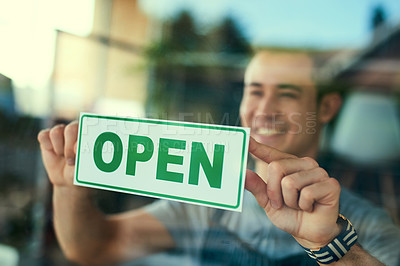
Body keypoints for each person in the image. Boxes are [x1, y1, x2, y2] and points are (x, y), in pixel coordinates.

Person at [38, 50, 400, 265]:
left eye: (286, 94)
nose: (265, 110)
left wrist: (331, 245)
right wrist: (69, 188)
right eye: (255, 91)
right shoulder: (206, 200)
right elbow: (94, 247)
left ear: (327, 106)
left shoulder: (368, 225)